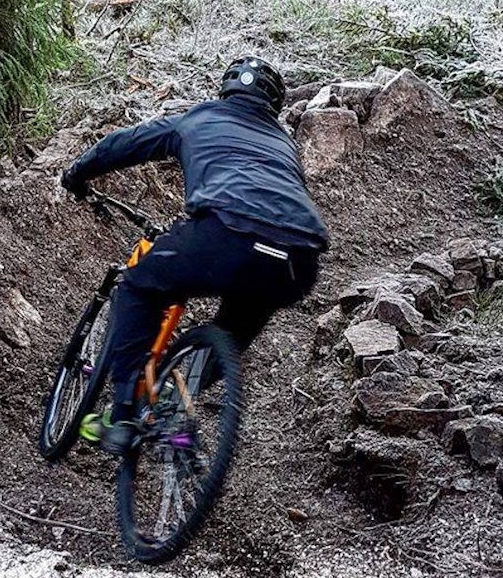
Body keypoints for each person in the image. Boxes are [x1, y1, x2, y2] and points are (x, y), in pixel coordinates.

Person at [60, 55, 329, 456]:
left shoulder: (199, 118)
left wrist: (76, 173)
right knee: (234, 325)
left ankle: (122, 416)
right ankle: (178, 396)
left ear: (225, 91)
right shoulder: (284, 144)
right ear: (272, 106)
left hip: (225, 233)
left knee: (138, 287)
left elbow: (125, 144)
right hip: (298, 260)